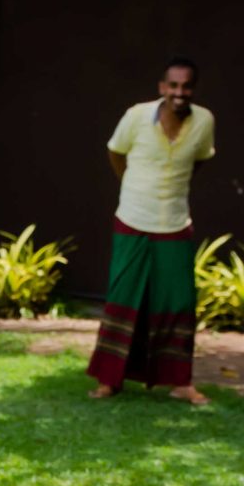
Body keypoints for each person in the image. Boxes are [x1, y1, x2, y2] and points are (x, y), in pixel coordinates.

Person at [87, 58, 216, 405]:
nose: (179, 93)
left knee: (179, 301)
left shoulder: (204, 121)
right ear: (162, 88)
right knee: (123, 298)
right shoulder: (136, 116)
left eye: (186, 87)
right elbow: (116, 153)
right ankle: (109, 380)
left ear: (193, 90)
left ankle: (180, 382)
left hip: (174, 221)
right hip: (133, 217)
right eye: (173, 86)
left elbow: (200, 159)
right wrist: (131, 184)